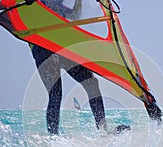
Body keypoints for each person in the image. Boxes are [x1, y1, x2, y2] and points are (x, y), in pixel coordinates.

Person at [31, 0, 107, 135]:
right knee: (56, 93)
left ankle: (103, 131)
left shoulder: (60, 6)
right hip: (43, 48)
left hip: (63, 46)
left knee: (91, 83)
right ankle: (53, 137)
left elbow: (74, 16)